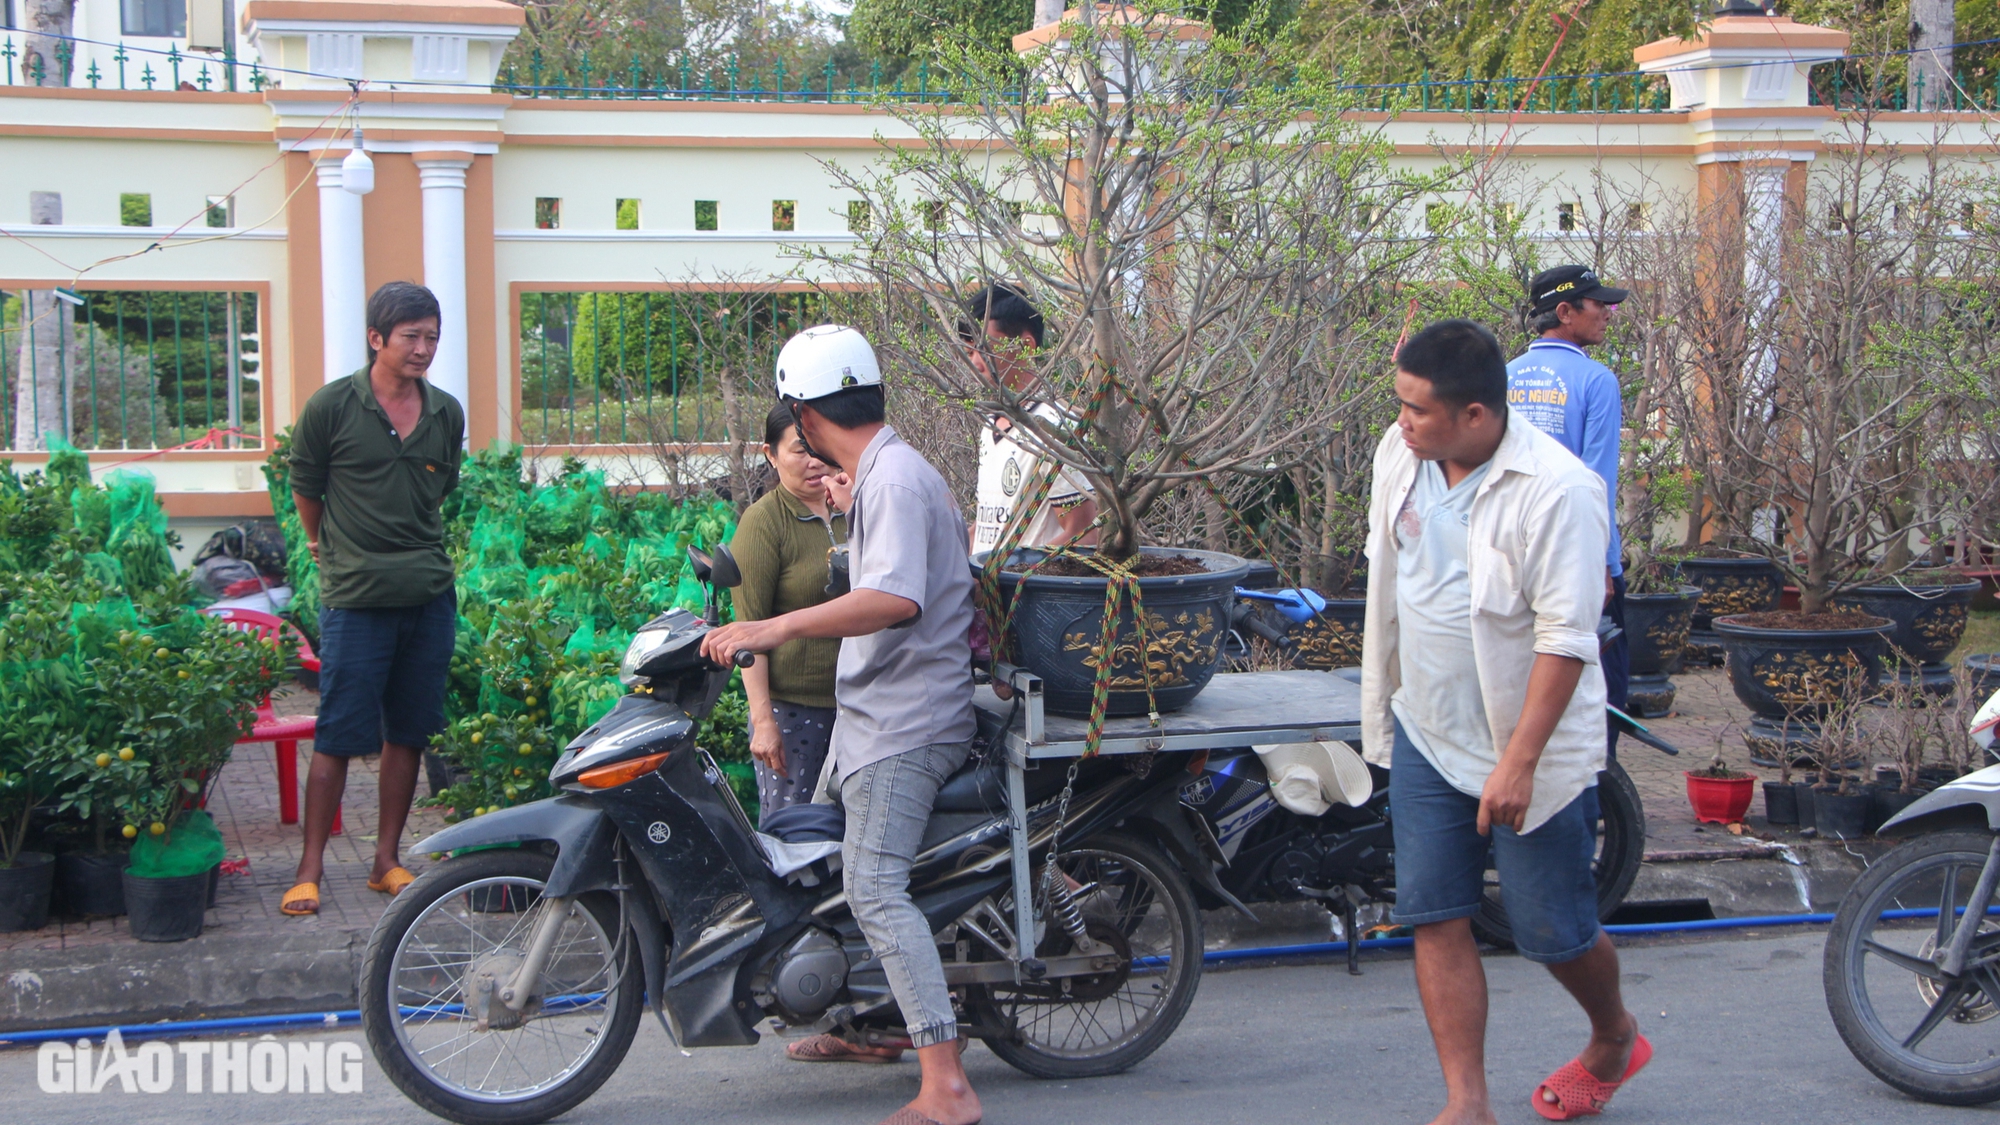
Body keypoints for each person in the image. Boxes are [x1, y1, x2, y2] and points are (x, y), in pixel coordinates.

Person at [1361, 319, 1648, 1124]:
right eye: (1402, 403)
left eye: (1419, 408)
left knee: (1551, 930)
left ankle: (1614, 1033)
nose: (1403, 420)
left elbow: (1566, 638)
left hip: (1524, 744)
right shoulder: (1401, 455)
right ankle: (1467, 1102)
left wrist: (1518, 761)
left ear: (1479, 415)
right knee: (1433, 912)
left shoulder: (1557, 490)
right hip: (1425, 726)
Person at [701, 325, 982, 1125]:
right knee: (824, 873)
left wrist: (774, 627)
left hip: (908, 725)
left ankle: (948, 1086)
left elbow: (895, 598)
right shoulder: (882, 475)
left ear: (807, 413)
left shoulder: (891, 480)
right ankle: (863, 1020)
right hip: (878, 715)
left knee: (873, 886)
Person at [283, 282, 464, 917]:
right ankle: (309, 866)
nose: (424, 348)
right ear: (376, 339)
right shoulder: (332, 407)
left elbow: (438, 496)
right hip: (355, 598)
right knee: (337, 733)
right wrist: (318, 542)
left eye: (432, 337)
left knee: (408, 733)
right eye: (412, 336)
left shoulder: (445, 412)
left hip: (427, 595)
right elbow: (306, 483)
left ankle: (385, 860)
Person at [1506, 265, 1630, 722]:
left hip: (1516, 557)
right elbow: (1597, 482)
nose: (1607, 313)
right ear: (1565, 311)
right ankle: (1596, 788)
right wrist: (1602, 565)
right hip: (1576, 557)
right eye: (1598, 304)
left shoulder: (1503, 377)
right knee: (1604, 692)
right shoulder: (1597, 381)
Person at [729, 403, 848, 828]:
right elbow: (749, 632)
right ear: (770, 454)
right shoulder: (763, 524)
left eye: (818, 447)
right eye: (800, 451)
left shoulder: (856, 507)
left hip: (863, 705)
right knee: (795, 831)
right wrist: (763, 720)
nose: (815, 461)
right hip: (796, 712)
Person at [964, 283, 1097, 554]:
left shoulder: (1055, 427)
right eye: (969, 352)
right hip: (988, 594)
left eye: (984, 349)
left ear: (1025, 346)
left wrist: (1008, 573)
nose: (975, 362)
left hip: (1025, 593)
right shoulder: (992, 424)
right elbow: (992, 523)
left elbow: (1083, 533)